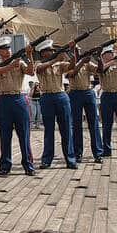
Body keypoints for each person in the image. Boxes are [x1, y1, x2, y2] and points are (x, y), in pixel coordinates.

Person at [0, 36, 36, 176]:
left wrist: (29, 55)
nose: (7, 50)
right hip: (3, 99)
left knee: (24, 134)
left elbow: (31, 72)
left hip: (19, 97)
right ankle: (5, 165)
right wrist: (10, 66)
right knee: (5, 135)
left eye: (8, 47)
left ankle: (28, 164)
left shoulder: (19, 63)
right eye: (3, 49)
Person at [35, 40, 77, 170]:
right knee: (49, 130)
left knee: (66, 129)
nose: (52, 52)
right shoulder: (40, 64)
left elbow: (71, 66)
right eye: (50, 51)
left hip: (60, 95)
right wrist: (55, 60)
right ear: (43, 53)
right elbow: (40, 69)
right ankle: (47, 159)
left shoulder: (59, 64)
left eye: (53, 51)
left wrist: (72, 52)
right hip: (47, 96)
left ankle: (70, 159)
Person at [67, 45, 103, 163]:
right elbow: (71, 74)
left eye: (78, 50)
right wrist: (82, 61)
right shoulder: (69, 63)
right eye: (74, 51)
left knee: (93, 123)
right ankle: (78, 153)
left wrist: (98, 58)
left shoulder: (88, 63)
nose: (77, 52)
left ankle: (98, 153)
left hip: (88, 91)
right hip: (75, 92)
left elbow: (100, 71)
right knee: (76, 125)